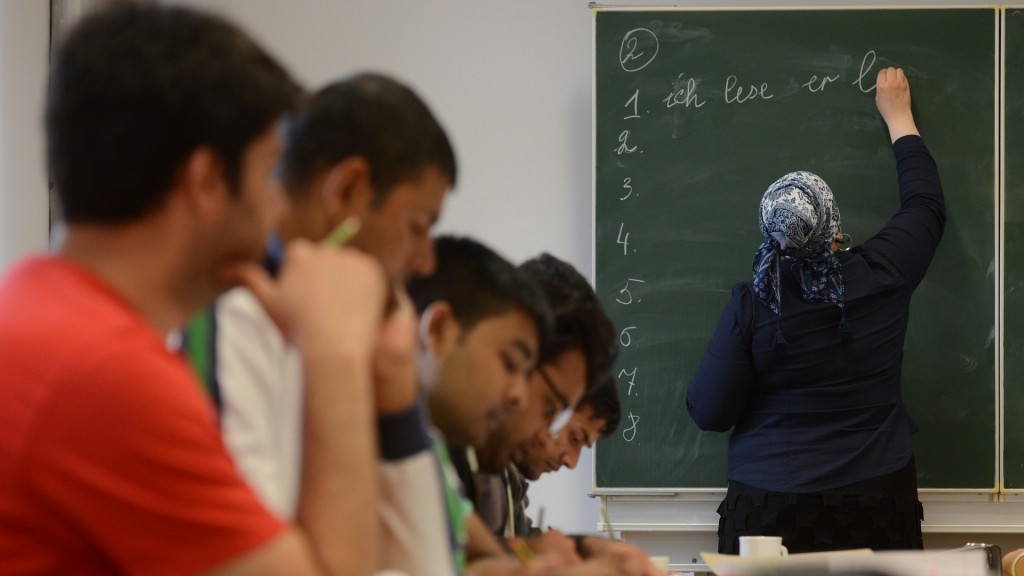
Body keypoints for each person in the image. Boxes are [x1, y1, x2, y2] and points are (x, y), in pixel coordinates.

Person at [0, 4, 396, 575]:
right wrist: (335, 351)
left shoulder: (37, 309)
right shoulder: (104, 373)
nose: (277, 208)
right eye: (267, 175)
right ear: (207, 181)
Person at [184, 72, 458, 574]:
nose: (424, 262)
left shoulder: (356, 342)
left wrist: (396, 391)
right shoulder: (225, 319)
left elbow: (432, 568)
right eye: (417, 226)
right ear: (348, 191)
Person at [685, 67, 945, 554]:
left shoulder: (753, 303)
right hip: (876, 509)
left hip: (767, 514)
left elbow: (709, 410)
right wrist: (899, 118)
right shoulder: (883, 273)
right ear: (833, 227)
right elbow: (926, 206)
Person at [407, 235, 553, 574]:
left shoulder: (430, 447)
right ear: (439, 329)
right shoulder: (365, 431)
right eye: (509, 362)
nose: (518, 395)